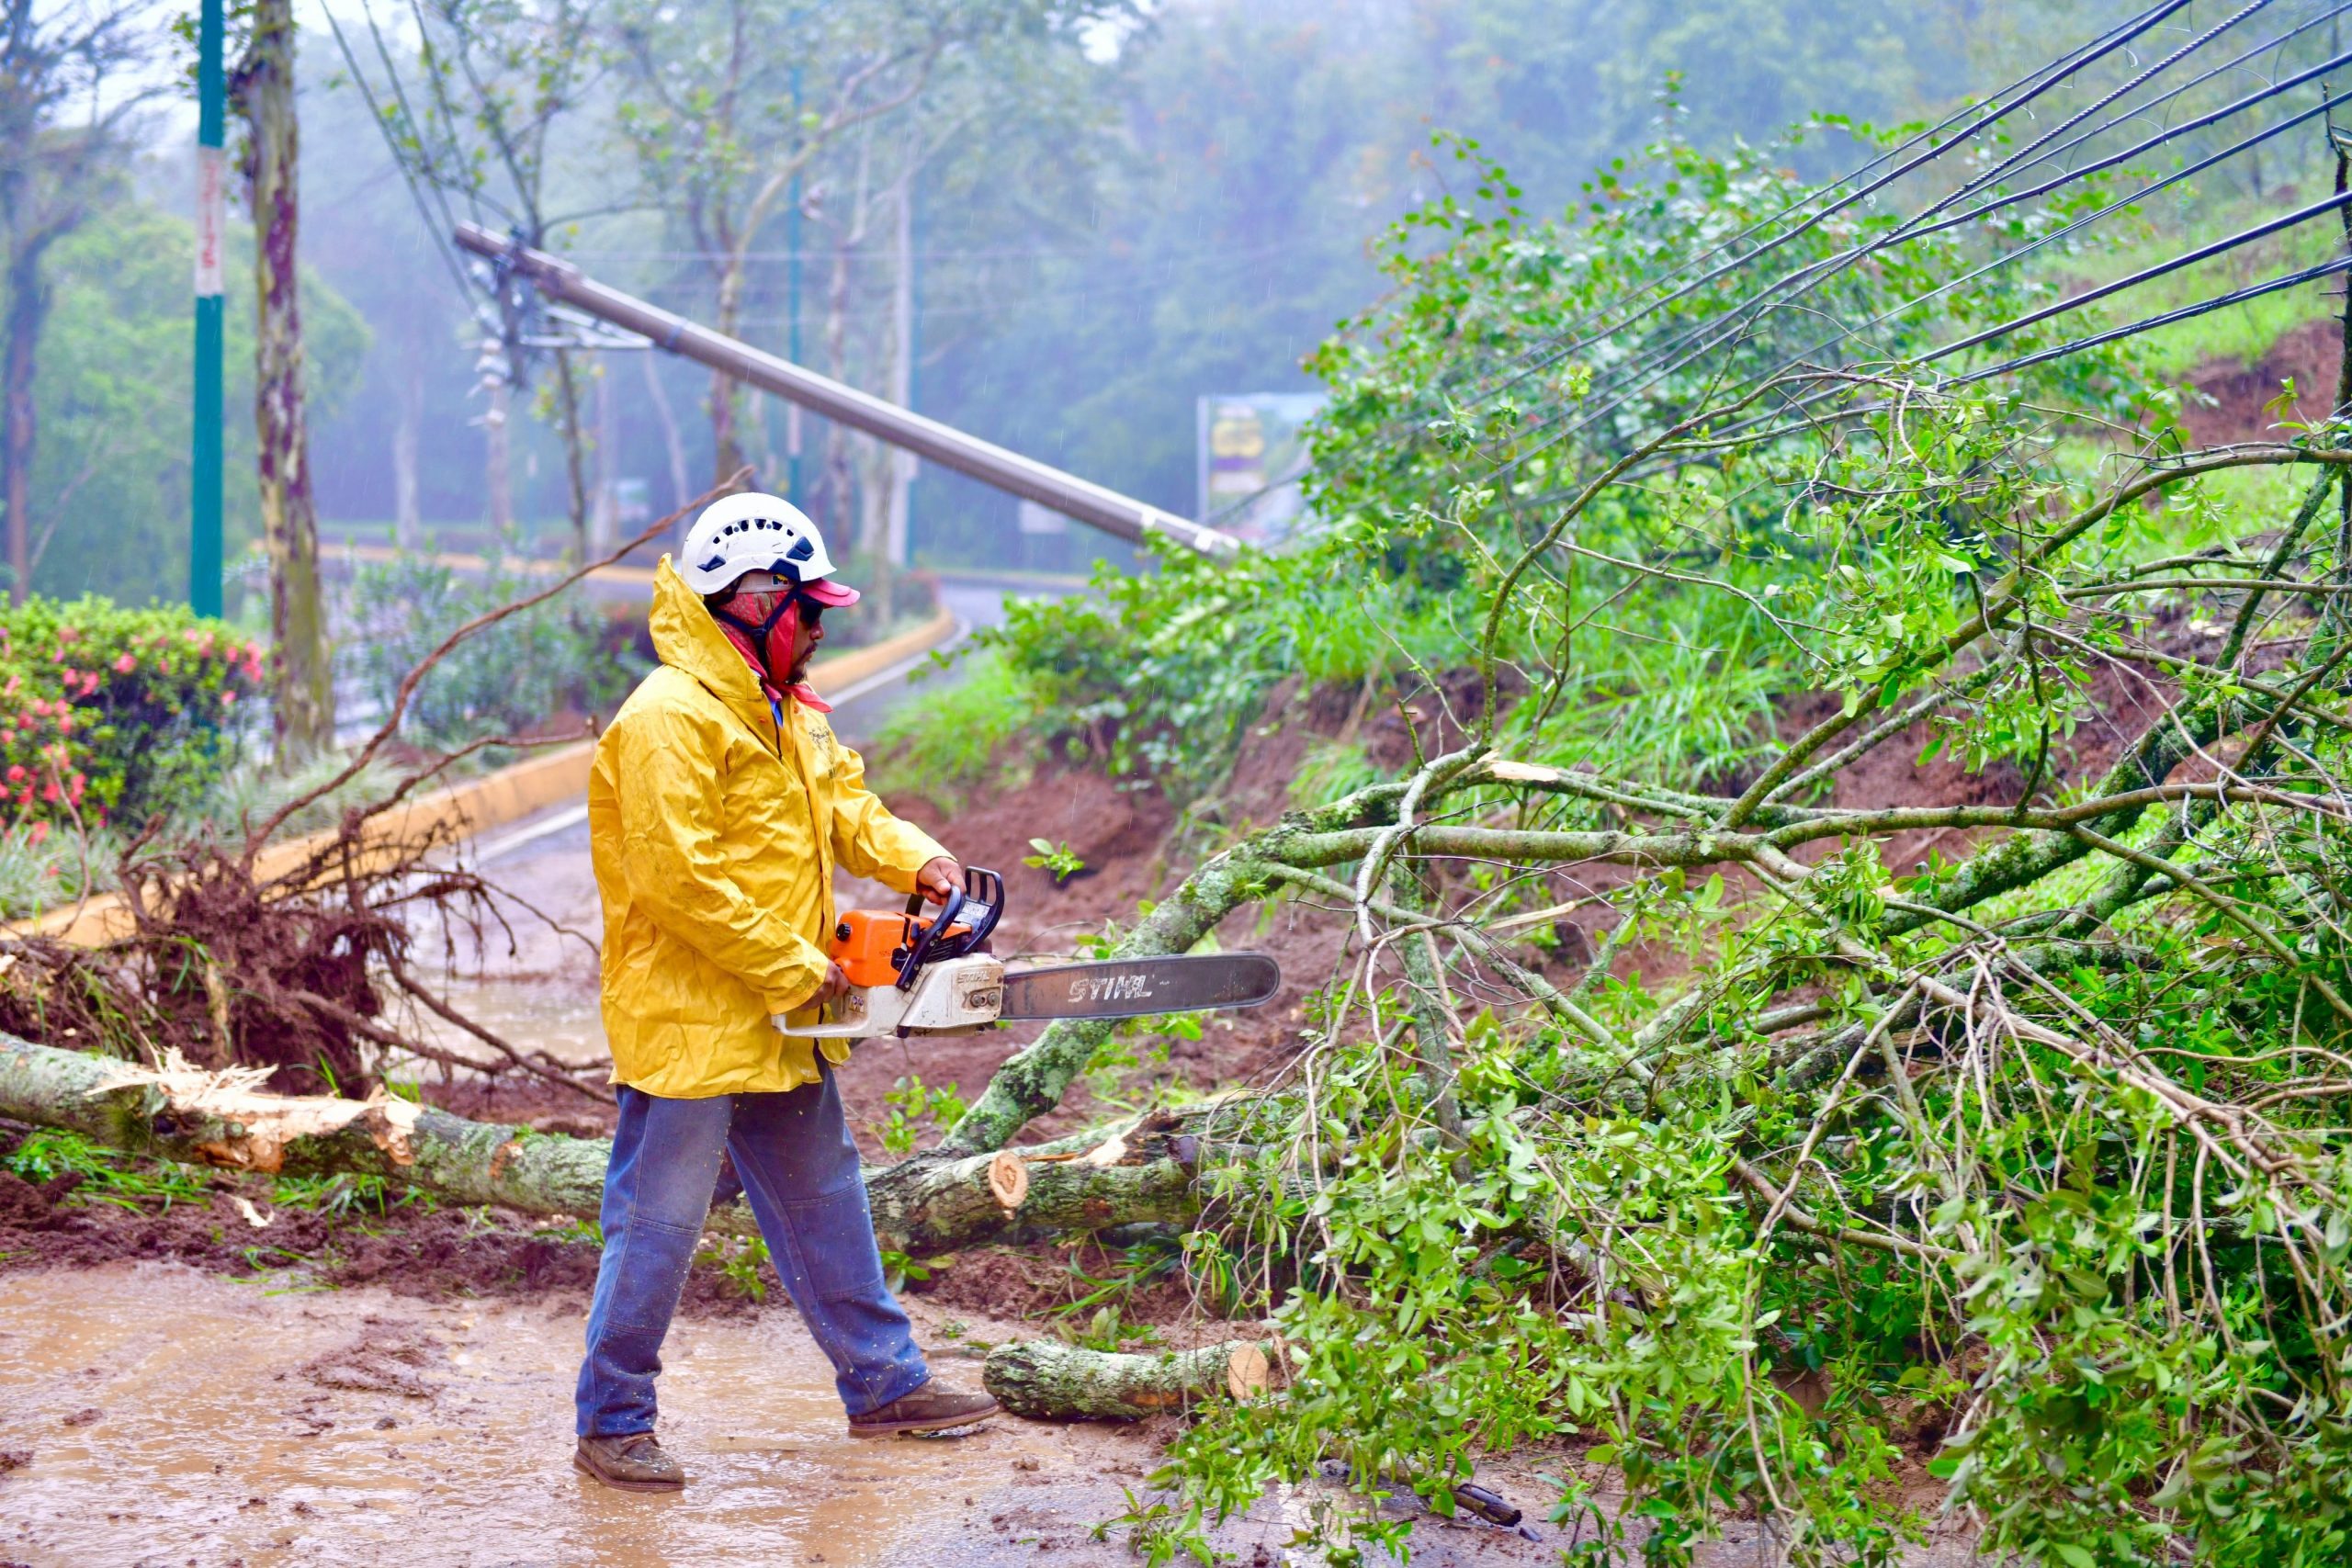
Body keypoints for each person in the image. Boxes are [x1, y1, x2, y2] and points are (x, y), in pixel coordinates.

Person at [572, 492, 998, 1494]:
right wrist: (802, 969)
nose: (818, 628)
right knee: (660, 1225)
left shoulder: (779, 708)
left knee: (825, 1199)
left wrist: (921, 859)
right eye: (809, 610)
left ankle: (885, 1385)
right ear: (758, 600)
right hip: (693, 1022)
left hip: (781, 1018)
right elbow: (680, 880)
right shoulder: (669, 719)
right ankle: (613, 1420)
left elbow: (847, 806)